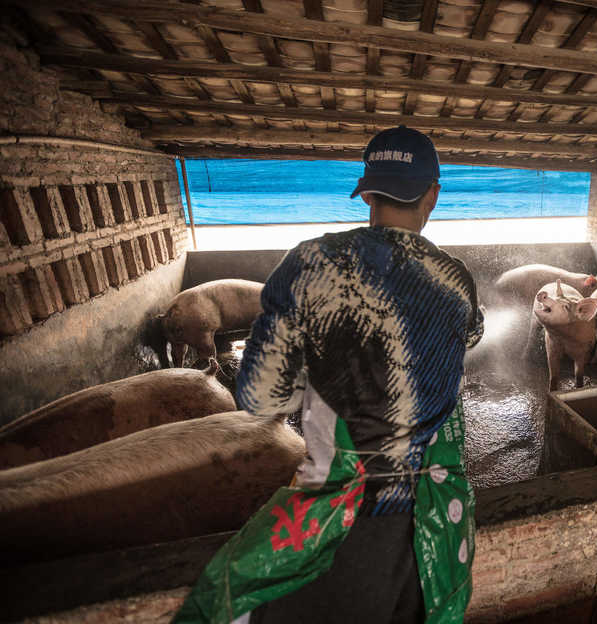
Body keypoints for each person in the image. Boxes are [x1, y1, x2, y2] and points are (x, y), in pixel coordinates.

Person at [173, 126, 483, 624]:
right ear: (432, 195)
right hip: (440, 528)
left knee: (221, 598)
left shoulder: (311, 263)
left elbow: (258, 397)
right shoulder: (456, 279)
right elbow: (462, 342)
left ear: (367, 193)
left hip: (347, 517)